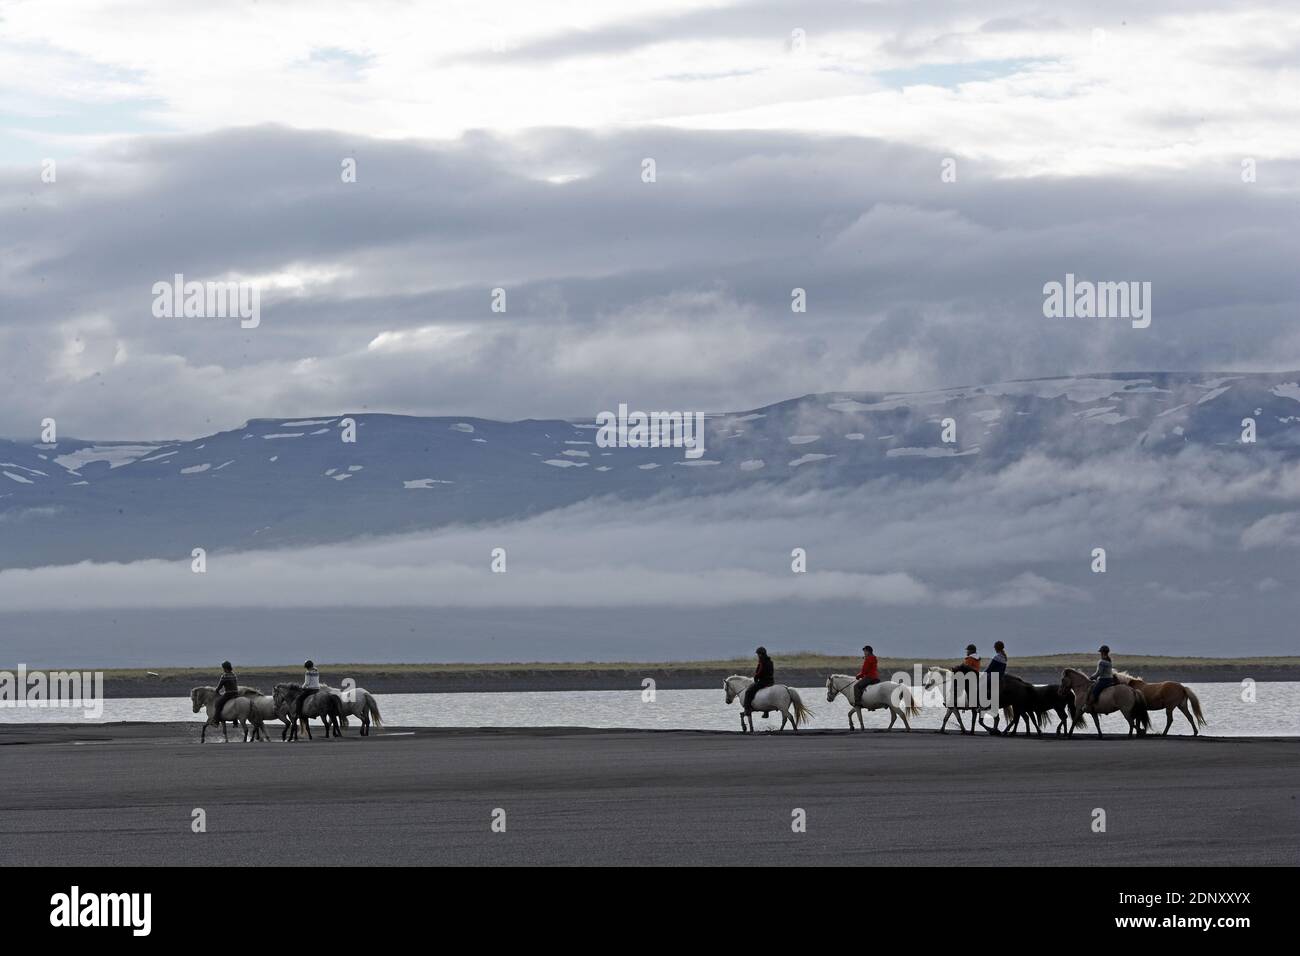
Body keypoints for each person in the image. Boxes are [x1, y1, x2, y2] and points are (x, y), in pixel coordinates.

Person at [743, 647, 775, 718]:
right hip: (771, 681)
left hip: (763, 682)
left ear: (760, 654)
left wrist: (756, 677)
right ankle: (766, 712)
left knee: (748, 691)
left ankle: (747, 709)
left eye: (758, 654)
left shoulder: (762, 662)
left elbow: (760, 671)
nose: (757, 655)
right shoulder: (770, 662)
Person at [1088, 645, 1115, 711]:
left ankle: (1089, 706)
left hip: (1103, 680)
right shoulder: (1109, 661)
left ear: (1102, 653)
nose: (1100, 654)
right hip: (1110, 680)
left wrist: (1091, 677)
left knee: (1094, 691)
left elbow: (1099, 673)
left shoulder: (1101, 662)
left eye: (1100, 652)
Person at [212, 661, 239, 726]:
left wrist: (216, 691)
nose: (223, 669)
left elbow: (219, 687)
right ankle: (235, 722)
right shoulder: (234, 674)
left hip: (229, 694)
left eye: (223, 668)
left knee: (218, 704)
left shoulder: (224, 676)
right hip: (236, 693)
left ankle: (216, 721)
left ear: (225, 668)